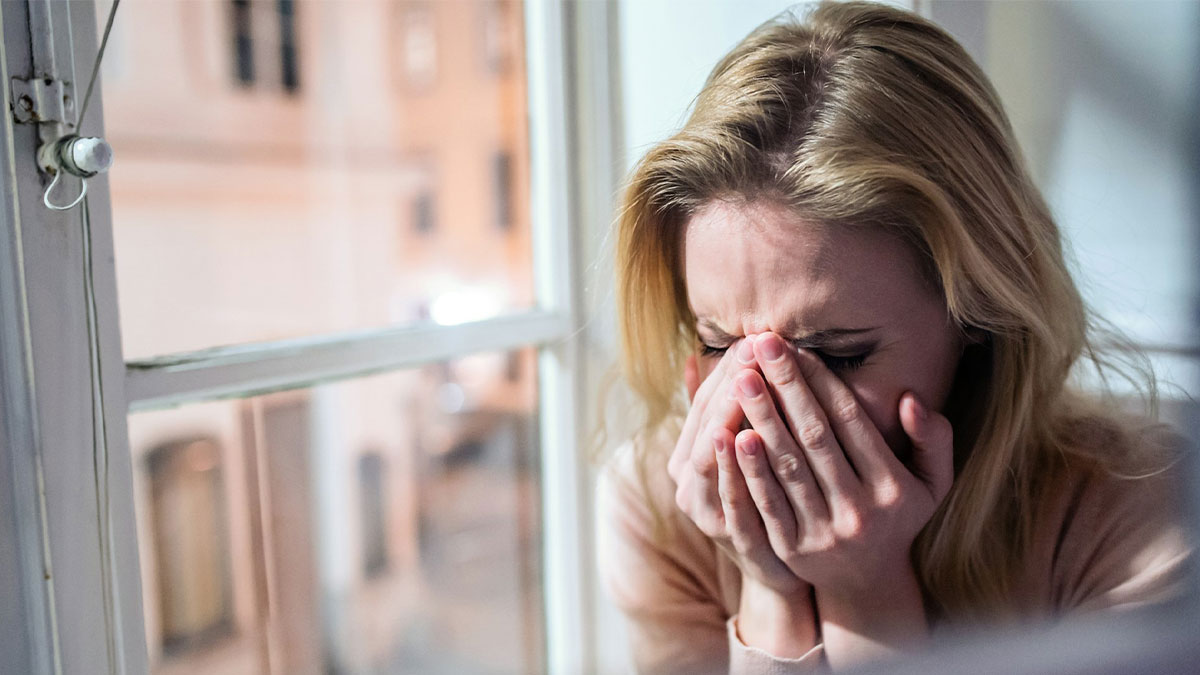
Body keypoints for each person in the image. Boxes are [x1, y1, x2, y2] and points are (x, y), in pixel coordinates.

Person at [597, 1, 1193, 672]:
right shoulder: (660, 506)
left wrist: (868, 594)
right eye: (716, 343)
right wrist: (770, 589)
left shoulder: (1136, 513)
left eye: (835, 353)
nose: (759, 407)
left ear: (978, 312)